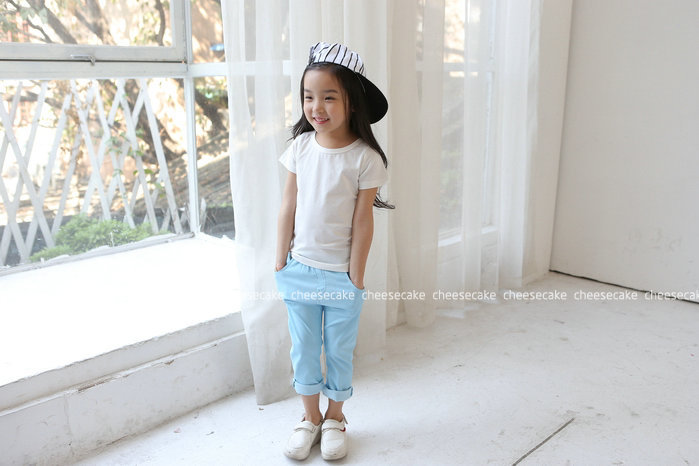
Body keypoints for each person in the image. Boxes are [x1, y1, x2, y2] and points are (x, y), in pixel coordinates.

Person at [274, 42, 393, 461]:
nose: (316, 107)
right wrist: (279, 261)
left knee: (339, 350)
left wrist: (355, 276)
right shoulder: (300, 148)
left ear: (352, 102)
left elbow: (363, 220)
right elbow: (288, 205)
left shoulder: (365, 158)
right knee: (304, 349)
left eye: (329, 97)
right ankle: (309, 418)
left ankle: (335, 418)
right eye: (308, 96)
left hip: (341, 276)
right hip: (298, 270)